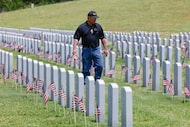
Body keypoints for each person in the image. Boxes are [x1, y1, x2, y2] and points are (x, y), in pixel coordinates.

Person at [72, 10, 108, 83]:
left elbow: (102, 38)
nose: (95, 19)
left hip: (96, 49)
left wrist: (105, 49)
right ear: (89, 18)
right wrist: (74, 50)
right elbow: (76, 38)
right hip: (86, 50)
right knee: (86, 68)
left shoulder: (98, 26)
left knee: (100, 66)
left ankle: (97, 80)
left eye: (96, 18)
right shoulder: (82, 27)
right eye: (93, 18)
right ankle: (86, 82)